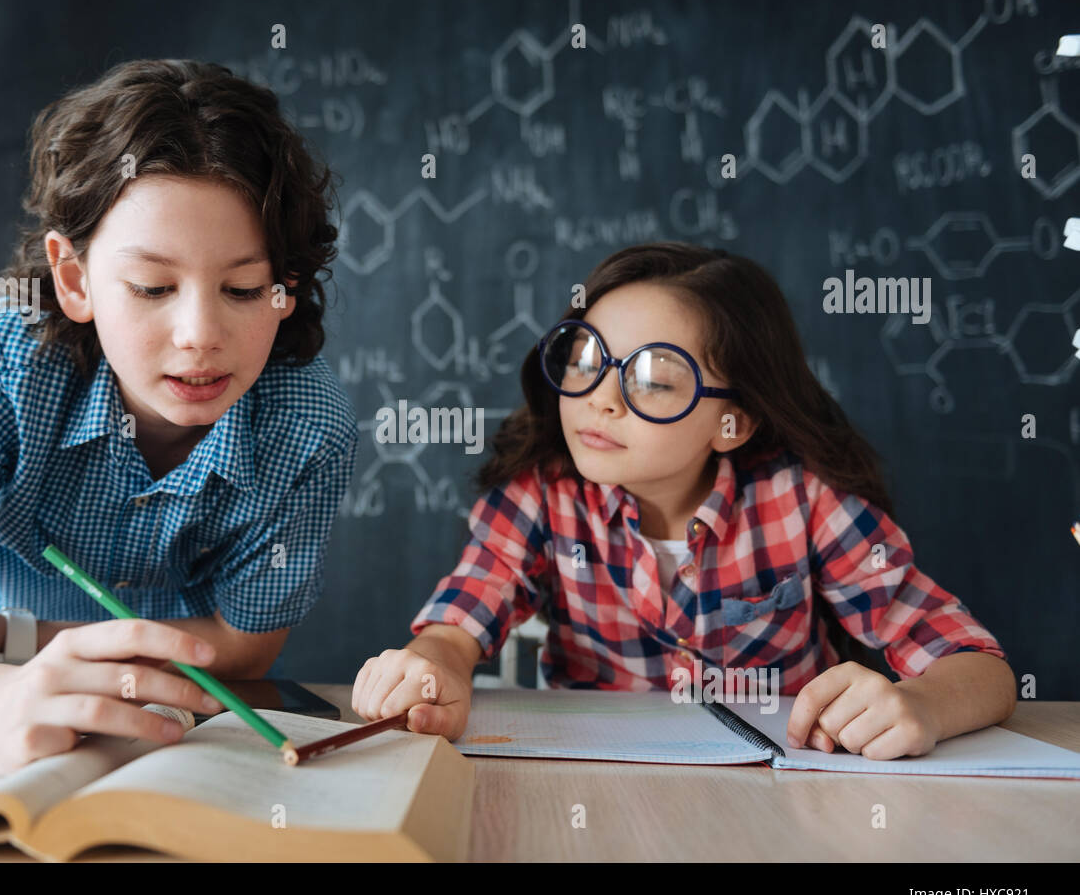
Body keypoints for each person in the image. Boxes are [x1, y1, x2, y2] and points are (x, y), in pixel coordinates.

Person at [0, 59, 356, 774]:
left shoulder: (308, 424)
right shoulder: (1, 361)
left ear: (286, 288)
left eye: (244, 289)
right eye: (153, 285)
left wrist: (18, 634)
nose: (199, 334)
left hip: (188, 742)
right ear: (74, 278)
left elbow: (242, 642)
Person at [353, 242, 1014, 761]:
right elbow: (457, 623)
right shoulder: (544, 492)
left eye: (653, 380)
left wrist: (921, 705)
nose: (600, 398)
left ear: (733, 422)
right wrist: (432, 670)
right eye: (588, 358)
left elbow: (978, 666)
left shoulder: (804, 498)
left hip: (781, 794)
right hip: (593, 786)